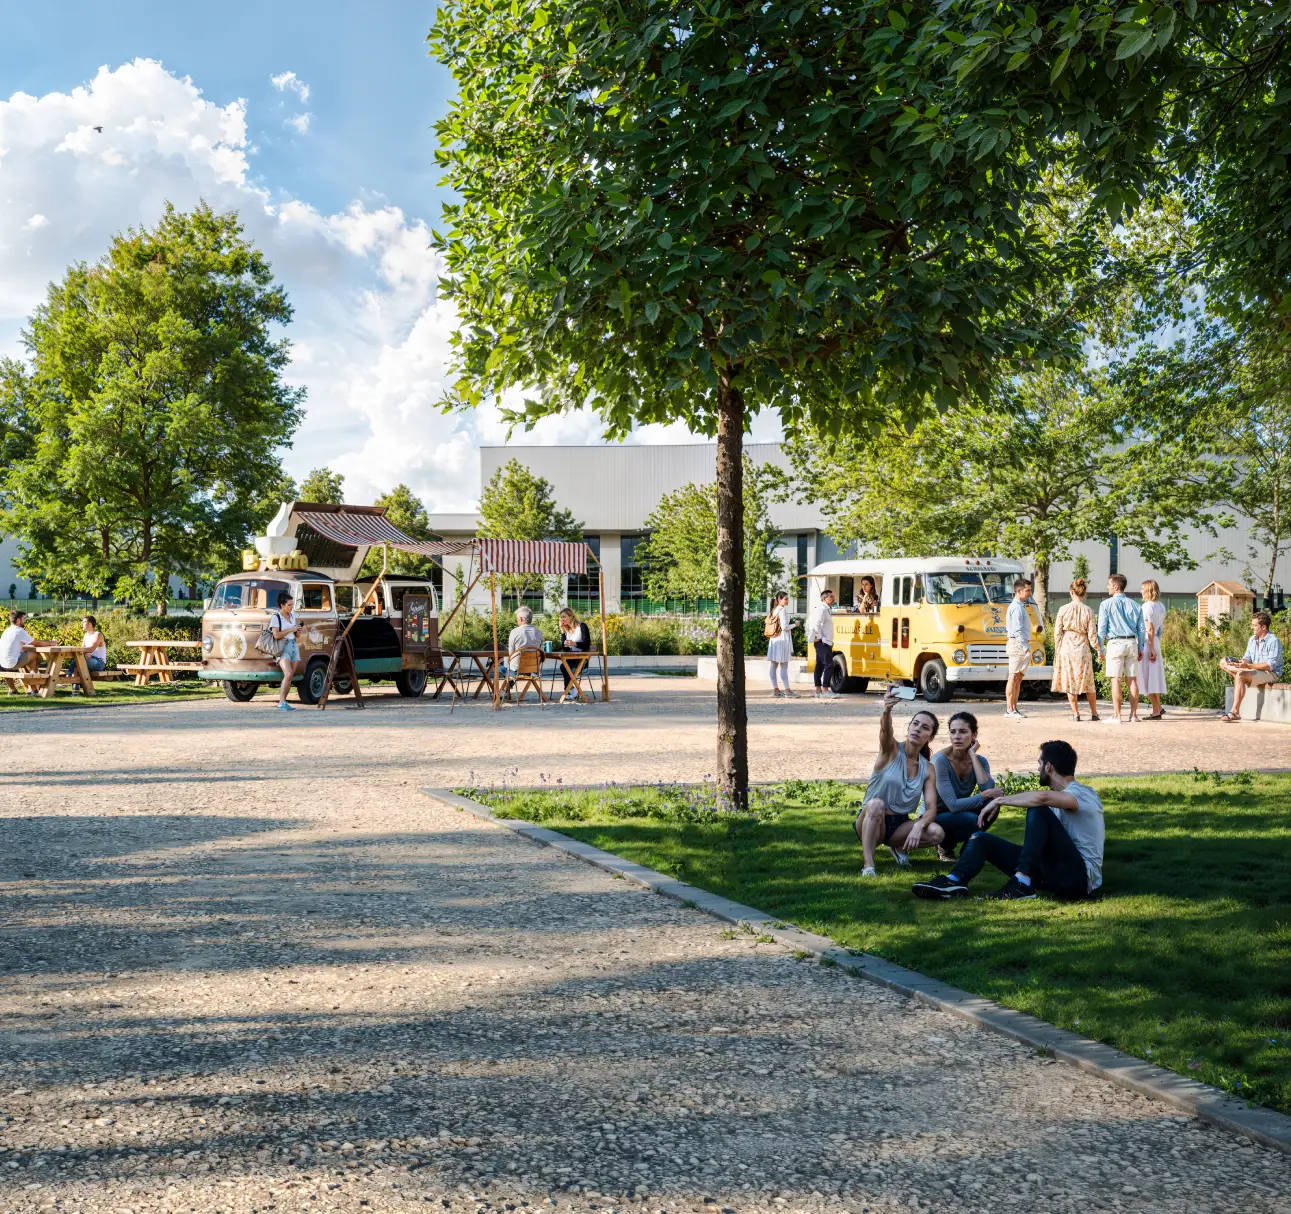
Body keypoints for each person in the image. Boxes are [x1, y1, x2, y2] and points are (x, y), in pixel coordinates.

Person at [912, 739, 1104, 902]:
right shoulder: (1058, 797)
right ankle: (953, 882)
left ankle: (1021, 884)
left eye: (1039, 763)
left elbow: (1042, 798)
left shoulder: (1083, 793)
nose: (1037, 768)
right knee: (981, 839)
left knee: (1038, 810)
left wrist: (1000, 799)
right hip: (1052, 872)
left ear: (1048, 767)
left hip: (1077, 879)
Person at [853, 689, 942, 876]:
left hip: (899, 825)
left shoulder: (928, 768)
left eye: (925, 728)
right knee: (876, 804)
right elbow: (885, 730)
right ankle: (868, 865)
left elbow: (931, 808)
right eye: (915, 724)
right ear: (909, 728)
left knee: (936, 833)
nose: (918, 729)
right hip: (871, 819)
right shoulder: (891, 750)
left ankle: (899, 848)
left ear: (930, 737)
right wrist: (887, 709)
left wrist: (918, 825)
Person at [931, 711, 1004, 860]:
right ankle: (946, 847)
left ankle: (968, 852)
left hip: (959, 810)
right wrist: (985, 795)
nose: (957, 736)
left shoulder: (980, 761)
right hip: (934, 815)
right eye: (953, 732)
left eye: (963, 732)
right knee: (971, 818)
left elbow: (987, 789)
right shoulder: (940, 761)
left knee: (993, 804)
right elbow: (952, 805)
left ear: (974, 735)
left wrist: (972, 755)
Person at [1096, 573, 1146, 724]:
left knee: (1116, 680)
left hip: (1115, 643)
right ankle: (1133, 715)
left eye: (1109, 585)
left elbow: (1101, 630)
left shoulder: (1106, 604)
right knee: (1132, 680)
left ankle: (1117, 715)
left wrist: (1100, 649)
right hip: (1132, 643)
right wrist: (1141, 647)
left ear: (1116, 587)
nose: (1107, 587)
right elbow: (1142, 629)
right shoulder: (1136, 605)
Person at [1221, 611, 1284, 722]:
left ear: (1263, 627)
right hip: (1254, 671)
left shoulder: (1273, 640)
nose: (1252, 627)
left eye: (1255, 625)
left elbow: (1269, 666)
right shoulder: (1252, 639)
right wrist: (1240, 663)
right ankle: (1243, 680)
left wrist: (1247, 666)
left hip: (1271, 674)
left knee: (1240, 675)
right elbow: (1247, 657)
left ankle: (1235, 712)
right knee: (1223, 663)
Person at [1051, 578, 1100, 722]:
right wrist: (1098, 649)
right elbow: (1092, 634)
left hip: (1067, 647)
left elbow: (1057, 633)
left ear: (1071, 592)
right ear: (1083, 593)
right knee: (1089, 682)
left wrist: (1058, 649)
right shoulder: (1088, 611)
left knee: (1070, 681)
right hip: (1083, 647)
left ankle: (1075, 713)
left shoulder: (1063, 609)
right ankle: (1094, 713)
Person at [1004, 578, 1034, 719]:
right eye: (1027, 590)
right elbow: (1017, 630)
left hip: (1020, 644)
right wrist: (1025, 646)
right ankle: (1009, 709)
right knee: (1013, 676)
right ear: (1018, 591)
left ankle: (1014, 708)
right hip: (1017, 644)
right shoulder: (1016, 607)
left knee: (1018, 678)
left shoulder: (1020, 606)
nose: (1030, 593)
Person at [270, 591, 303, 712]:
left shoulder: (292, 615)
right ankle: (281, 702)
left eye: (292, 604)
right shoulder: (276, 617)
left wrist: (298, 631)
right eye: (289, 605)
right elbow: (276, 635)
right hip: (283, 647)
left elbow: (297, 635)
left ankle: (284, 702)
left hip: (294, 646)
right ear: (282, 606)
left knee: (290, 677)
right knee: (288, 674)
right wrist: (291, 629)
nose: (291, 607)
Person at [1140, 579, 1167, 721]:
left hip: (1148, 642)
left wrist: (1150, 648)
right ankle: (1158, 707)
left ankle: (1156, 709)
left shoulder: (1146, 607)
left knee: (1146, 677)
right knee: (1154, 676)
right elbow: (1159, 629)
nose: (1141, 591)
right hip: (1156, 640)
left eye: (1142, 589)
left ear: (1148, 590)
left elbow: (1149, 628)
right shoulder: (1161, 606)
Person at [765, 591, 798, 698]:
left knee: (773, 665)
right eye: (785, 599)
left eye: (787, 599)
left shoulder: (774, 610)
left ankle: (776, 689)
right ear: (779, 599)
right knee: (784, 665)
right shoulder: (782, 610)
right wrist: (795, 625)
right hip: (782, 639)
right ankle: (787, 690)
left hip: (774, 639)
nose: (787, 601)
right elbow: (784, 627)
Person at [807, 588, 838, 699]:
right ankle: (825, 689)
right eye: (831, 596)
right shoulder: (822, 609)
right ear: (825, 598)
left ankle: (818, 690)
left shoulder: (826, 609)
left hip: (825, 641)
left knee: (819, 665)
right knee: (828, 664)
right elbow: (817, 624)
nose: (833, 598)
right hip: (823, 642)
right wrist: (819, 637)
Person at [557, 607, 591, 702]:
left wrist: (574, 643)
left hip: (582, 659)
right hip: (572, 658)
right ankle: (571, 691)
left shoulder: (582, 626)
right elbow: (565, 649)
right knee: (563, 666)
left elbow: (587, 644)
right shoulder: (567, 630)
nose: (562, 619)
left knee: (567, 667)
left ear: (571, 616)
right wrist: (563, 633)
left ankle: (571, 692)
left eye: (564, 617)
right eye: (561, 618)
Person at [503, 605, 545, 677]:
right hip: (534, 670)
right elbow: (541, 652)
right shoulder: (539, 632)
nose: (517, 621)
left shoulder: (514, 632)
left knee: (500, 668)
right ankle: (509, 684)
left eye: (517, 619)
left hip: (516, 670)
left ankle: (508, 685)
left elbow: (511, 654)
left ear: (521, 619)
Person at [0, 610, 39, 675]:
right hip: (12, 664)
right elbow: (35, 642)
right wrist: (51, 643)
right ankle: (33, 678)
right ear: (18, 620)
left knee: (22, 655)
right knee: (34, 655)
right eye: (23, 619)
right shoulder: (19, 630)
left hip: (2, 664)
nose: (25, 621)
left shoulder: (6, 631)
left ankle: (13, 685)